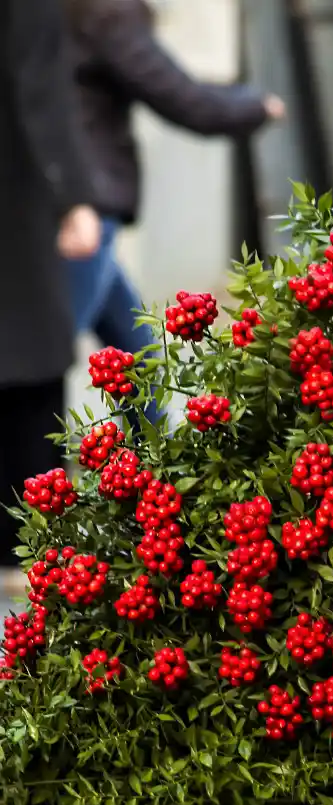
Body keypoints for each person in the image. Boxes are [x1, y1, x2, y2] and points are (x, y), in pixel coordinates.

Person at [63, 0, 284, 426]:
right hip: (86, 212)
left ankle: (151, 457)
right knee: (39, 364)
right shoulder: (101, 11)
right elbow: (183, 99)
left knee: (137, 353)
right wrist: (258, 107)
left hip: (75, 205)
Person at [0, 0, 102, 568]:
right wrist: (74, 196)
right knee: (31, 362)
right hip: (17, 202)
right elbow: (40, 87)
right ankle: (34, 549)